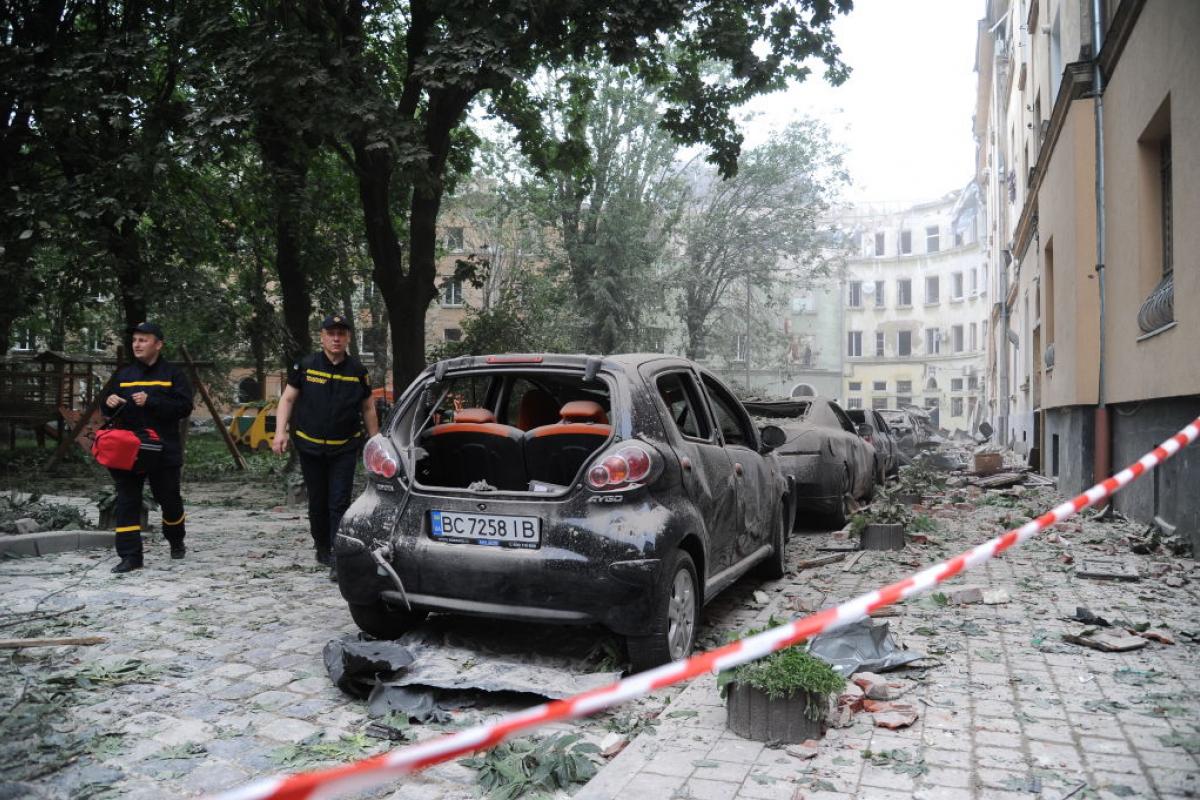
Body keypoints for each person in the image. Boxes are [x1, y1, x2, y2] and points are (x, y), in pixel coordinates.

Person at [273, 314, 378, 579]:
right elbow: (287, 400)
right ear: (322, 337)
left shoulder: (357, 371)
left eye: (341, 334)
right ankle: (321, 545)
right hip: (310, 448)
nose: (336, 338)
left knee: (339, 502)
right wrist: (280, 432)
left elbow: (368, 407)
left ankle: (337, 556)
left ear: (348, 338)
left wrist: (376, 442)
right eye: (331, 333)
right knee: (317, 502)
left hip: (344, 447)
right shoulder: (306, 366)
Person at [100, 322, 194, 573]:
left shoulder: (173, 375)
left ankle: (176, 539)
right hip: (129, 450)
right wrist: (109, 403)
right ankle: (131, 556)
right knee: (127, 501)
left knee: (169, 500)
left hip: (164, 449)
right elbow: (106, 407)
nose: (137, 345)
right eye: (135, 340)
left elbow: (184, 407)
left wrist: (152, 401)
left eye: (143, 340)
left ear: (158, 344)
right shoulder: (124, 375)